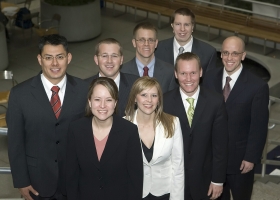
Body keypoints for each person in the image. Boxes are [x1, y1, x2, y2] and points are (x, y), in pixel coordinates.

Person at [7, 34, 88, 200]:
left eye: (60, 57)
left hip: (76, 181)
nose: (55, 63)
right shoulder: (19, 95)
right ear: (39, 59)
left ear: (69, 58)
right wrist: (21, 181)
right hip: (37, 183)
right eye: (48, 57)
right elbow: (15, 143)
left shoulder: (84, 90)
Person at [203, 36, 269, 200]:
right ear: (221, 54)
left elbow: (259, 126)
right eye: (225, 52)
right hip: (213, 159)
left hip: (241, 161)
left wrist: (251, 157)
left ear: (243, 55)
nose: (229, 58)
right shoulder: (208, 78)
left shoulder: (258, 86)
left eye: (234, 53)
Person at [163, 52, 228, 200]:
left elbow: (220, 146)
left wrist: (218, 180)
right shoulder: (164, 102)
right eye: (183, 73)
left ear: (200, 72)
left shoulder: (215, 102)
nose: (188, 79)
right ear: (175, 74)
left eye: (193, 73)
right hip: (173, 181)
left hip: (206, 180)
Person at [66, 77, 143, 200]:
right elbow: (71, 176)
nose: (102, 105)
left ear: (115, 103)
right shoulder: (76, 130)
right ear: (90, 102)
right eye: (97, 99)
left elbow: (135, 179)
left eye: (108, 100)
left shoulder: (129, 131)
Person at [124, 77, 184, 200]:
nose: (149, 100)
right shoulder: (123, 125)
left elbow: (178, 167)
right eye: (144, 95)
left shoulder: (173, 122)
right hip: (134, 192)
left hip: (164, 193)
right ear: (135, 98)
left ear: (159, 99)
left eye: (154, 95)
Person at [85, 38, 139, 116]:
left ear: (121, 60)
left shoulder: (136, 84)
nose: (109, 61)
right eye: (104, 56)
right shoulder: (83, 87)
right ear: (96, 59)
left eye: (114, 56)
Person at [155, 8, 217, 73]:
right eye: (178, 24)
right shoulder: (158, 48)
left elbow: (210, 81)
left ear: (192, 27)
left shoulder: (208, 53)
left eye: (186, 25)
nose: (182, 29)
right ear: (172, 26)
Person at [121, 21, 177, 93]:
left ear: (156, 43)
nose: (146, 44)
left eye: (150, 40)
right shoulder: (122, 72)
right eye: (141, 40)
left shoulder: (169, 72)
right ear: (134, 43)